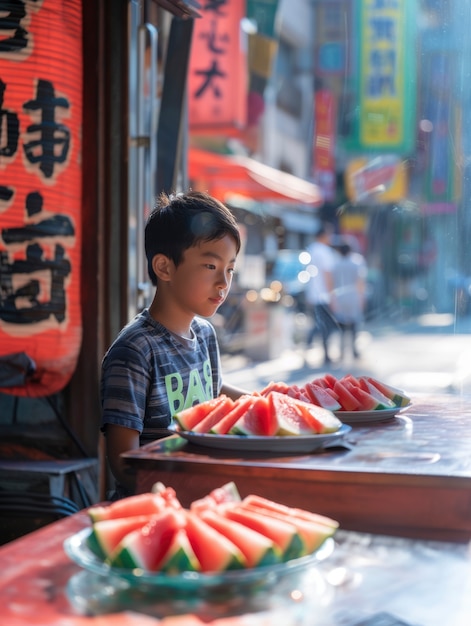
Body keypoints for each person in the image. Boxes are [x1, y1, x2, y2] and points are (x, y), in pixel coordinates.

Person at [100, 191, 248, 499]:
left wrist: (273, 401)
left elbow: (214, 389)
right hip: (151, 510)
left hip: (205, 498)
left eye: (230, 269)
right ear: (165, 268)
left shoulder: (205, 334)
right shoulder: (134, 350)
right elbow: (122, 463)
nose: (223, 282)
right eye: (210, 266)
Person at [304, 225, 338, 364]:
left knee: (321, 323)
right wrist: (332, 295)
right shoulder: (325, 252)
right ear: (323, 236)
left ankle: (311, 345)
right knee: (328, 325)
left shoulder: (311, 249)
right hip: (324, 295)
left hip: (312, 294)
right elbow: (327, 274)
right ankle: (322, 351)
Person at [330, 241, 367, 360]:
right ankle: (354, 350)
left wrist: (333, 299)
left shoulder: (335, 264)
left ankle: (341, 351)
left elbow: (331, 283)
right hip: (353, 296)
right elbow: (360, 282)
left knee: (341, 326)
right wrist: (362, 298)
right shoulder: (357, 263)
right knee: (354, 325)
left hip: (340, 297)